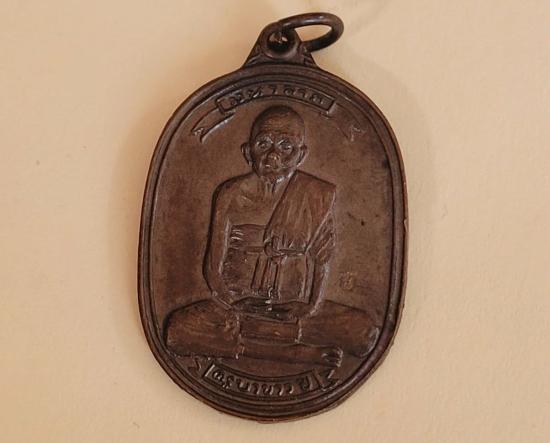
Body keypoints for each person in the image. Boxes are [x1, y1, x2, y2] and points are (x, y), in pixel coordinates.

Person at [164, 106, 378, 367]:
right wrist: (233, 302)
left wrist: (309, 306)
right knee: (178, 330)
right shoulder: (230, 194)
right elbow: (213, 267)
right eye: (263, 144)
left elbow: (322, 260)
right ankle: (295, 353)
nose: (273, 155)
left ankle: (263, 342)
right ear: (248, 152)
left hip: (293, 310)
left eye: (286, 146)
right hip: (237, 309)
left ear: (301, 155)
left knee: (363, 332)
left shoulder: (316, 195)